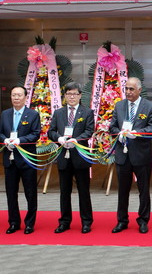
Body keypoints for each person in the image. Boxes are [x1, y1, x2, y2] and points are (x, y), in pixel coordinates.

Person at [109, 77, 152, 234]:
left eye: (131, 89)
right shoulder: (119, 105)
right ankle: (122, 220)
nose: (128, 92)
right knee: (123, 190)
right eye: (127, 89)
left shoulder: (149, 106)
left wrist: (137, 133)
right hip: (122, 155)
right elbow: (112, 127)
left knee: (143, 190)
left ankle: (143, 220)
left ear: (139, 90)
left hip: (141, 154)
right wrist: (120, 133)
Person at [48, 82, 95, 234]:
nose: (71, 97)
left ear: (80, 95)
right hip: (64, 156)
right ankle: (64, 221)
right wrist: (59, 138)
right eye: (68, 94)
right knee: (64, 191)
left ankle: (86, 221)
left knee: (83, 191)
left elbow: (89, 131)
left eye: (74, 94)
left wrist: (77, 140)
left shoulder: (87, 112)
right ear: (65, 96)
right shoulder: (59, 113)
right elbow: (51, 131)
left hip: (80, 156)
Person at [0, 85, 41, 234]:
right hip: (9, 159)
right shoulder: (5, 114)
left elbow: (35, 134)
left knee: (30, 192)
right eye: (13, 95)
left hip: (26, 159)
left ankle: (30, 223)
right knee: (11, 192)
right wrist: (5, 140)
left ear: (25, 97)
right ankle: (14, 222)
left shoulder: (33, 114)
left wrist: (20, 140)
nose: (16, 98)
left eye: (19, 95)